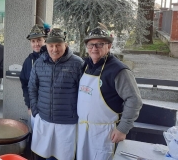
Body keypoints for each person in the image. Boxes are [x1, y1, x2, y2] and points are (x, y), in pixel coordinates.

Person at [76, 27, 142, 160]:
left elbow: (134, 100)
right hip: (84, 130)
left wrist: (123, 128)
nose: (94, 48)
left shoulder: (119, 70)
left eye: (100, 44)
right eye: (91, 44)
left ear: (109, 46)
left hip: (105, 134)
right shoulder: (86, 66)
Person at [28, 28, 84, 160]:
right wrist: (36, 111)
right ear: (46, 45)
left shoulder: (77, 63)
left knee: (62, 157)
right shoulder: (39, 63)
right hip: (44, 120)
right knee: (41, 154)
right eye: (51, 45)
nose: (54, 49)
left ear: (65, 44)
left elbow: (84, 93)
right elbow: (32, 87)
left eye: (58, 45)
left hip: (67, 123)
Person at [20, 24, 48, 118]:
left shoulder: (51, 59)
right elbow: (25, 84)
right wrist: (29, 105)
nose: (36, 44)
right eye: (33, 41)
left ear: (45, 40)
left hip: (50, 108)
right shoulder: (28, 61)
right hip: (34, 108)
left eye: (39, 40)